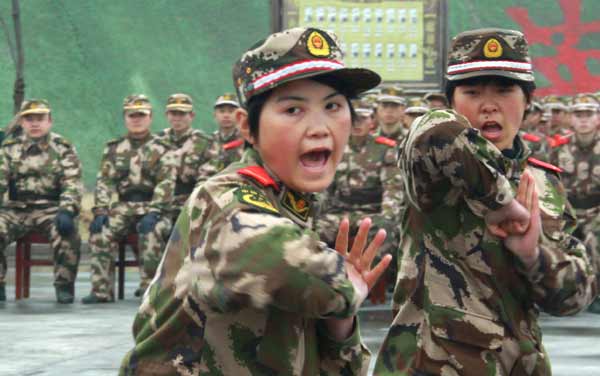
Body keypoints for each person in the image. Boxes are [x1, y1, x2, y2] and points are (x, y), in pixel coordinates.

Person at [120, 26, 390, 375]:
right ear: (248, 128)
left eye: (333, 106)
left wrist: (341, 322)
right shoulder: (224, 201)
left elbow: (341, 368)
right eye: (294, 110)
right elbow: (281, 258)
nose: (320, 127)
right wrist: (343, 285)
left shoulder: (292, 204)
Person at [375, 28, 597, 375]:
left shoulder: (543, 182)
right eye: (472, 91)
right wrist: (504, 204)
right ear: (452, 102)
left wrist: (534, 254)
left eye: (505, 90)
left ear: (527, 101)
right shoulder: (434, 164)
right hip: (433, 363)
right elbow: (433, 131)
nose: (489, 104)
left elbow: (574, 297)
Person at [82, 95, 176, 303]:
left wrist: (155, 211)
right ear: (125, 118)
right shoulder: (114, 148)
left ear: (150, 118)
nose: (136, 119)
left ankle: (149, 289)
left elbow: (166, 183)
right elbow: (105, 181)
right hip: (123, 206)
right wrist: (101, 211)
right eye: (132, 115)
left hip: (153, 206)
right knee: (100, 233)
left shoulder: (163, 148)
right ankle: (101, 291)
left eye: (141, 115)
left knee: (152, 232)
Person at [317, 99, 403, 304]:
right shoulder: (334, 147)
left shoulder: (384, 148)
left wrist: (388, 216)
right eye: (354, 118)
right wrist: (314, 213)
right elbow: (322, 187)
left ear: (371, 120)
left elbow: (393, 188)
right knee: (311, 228)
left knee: (383, 229)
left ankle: (363, 284)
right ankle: (325, 288)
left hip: (371, 213)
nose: (357, 123)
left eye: (362, 118)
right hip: (338, 213)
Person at [0, 99, 83, 303]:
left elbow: (73, 182)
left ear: (50, 121)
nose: (35, 124)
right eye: (29, 119)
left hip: (51, 208)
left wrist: (67, 210)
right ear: (22, 122)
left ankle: (64, 286)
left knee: (68, 234)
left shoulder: (63, 148)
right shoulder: (9, 149)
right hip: (17, 209)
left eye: (40, 119)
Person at [552, 93, 600, 313]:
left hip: (597, 212)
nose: (583, 120)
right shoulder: (558, 149)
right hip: (567, 211)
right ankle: (561, 292)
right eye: (578, 115)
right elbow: (550, 187)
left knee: (595, 237)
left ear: (597, 118)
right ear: (571, 119)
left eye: (588, 114)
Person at [157, 93, 214, 221]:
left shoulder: (204, 142)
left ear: (191, 116)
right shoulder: (157, 141)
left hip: (190, 203)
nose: (177, 118)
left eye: (182, 114)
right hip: (160, 203)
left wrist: (193, 204)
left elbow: (206, 179)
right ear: (167, 115)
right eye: (173, 113)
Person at [200, 93, 245, 176]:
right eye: (222, 111)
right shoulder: (208, 141)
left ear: (239, 115)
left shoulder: (246, 141)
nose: (226, 115)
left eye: (231, 111)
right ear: (215, 115)